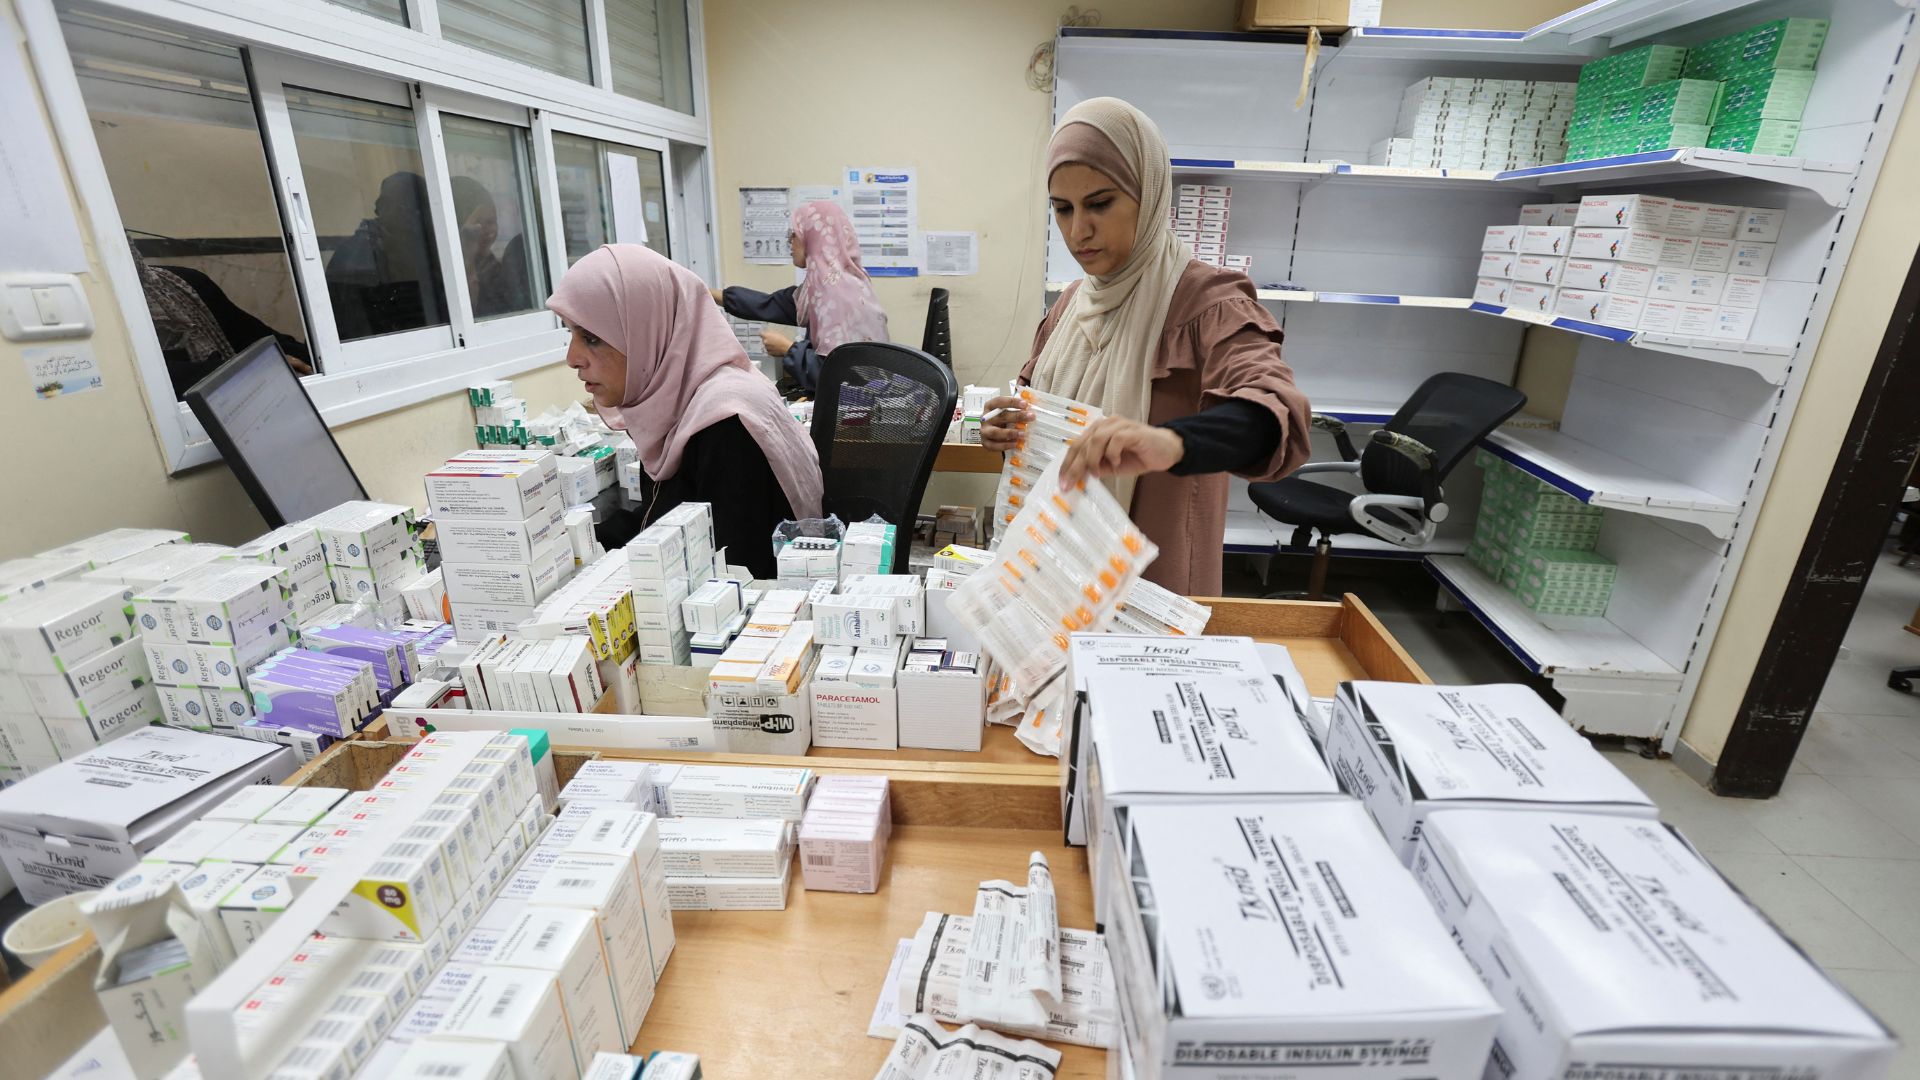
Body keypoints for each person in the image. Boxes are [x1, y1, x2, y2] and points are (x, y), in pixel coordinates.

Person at [980, 97, 1312, 595]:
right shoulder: (1071, 304)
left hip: (1154, 587)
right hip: (1055, 572)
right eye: (1062, 209)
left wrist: (1171, 442)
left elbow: (1274, 413)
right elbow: (1035, 403)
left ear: (1150, 192)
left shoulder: (1207, 301)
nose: (1078, 231)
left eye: (1100, 203)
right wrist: (1006, 429)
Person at [547, 244, 823, 579]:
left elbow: (736, 573)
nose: (573, 358)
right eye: (571, 333)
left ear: (648, 330)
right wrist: (574, 546)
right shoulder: (679, 399)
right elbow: (669, 519)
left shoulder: (726, 425)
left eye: (592, 338)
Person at [712, 199, 889, 395]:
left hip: (856, 408)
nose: (789, 241)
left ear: (813, 237)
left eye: (794, 234)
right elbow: (768, 304)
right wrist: (706, 293)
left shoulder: (838, 294)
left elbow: (837, 376)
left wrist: (788, 349)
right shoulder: (820, 288)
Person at [132, 242, 313, 395]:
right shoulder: (116, 323)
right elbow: (140, 381)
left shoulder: (183, 285)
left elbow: (256, 337)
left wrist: (318, 360)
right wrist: (248, 370)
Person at [325, 171, 445, 338]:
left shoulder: (423, 247)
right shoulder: (357, 255)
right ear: (382, 208)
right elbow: (361, 332)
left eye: (422, 210)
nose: (418, 218)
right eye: (409, 209)